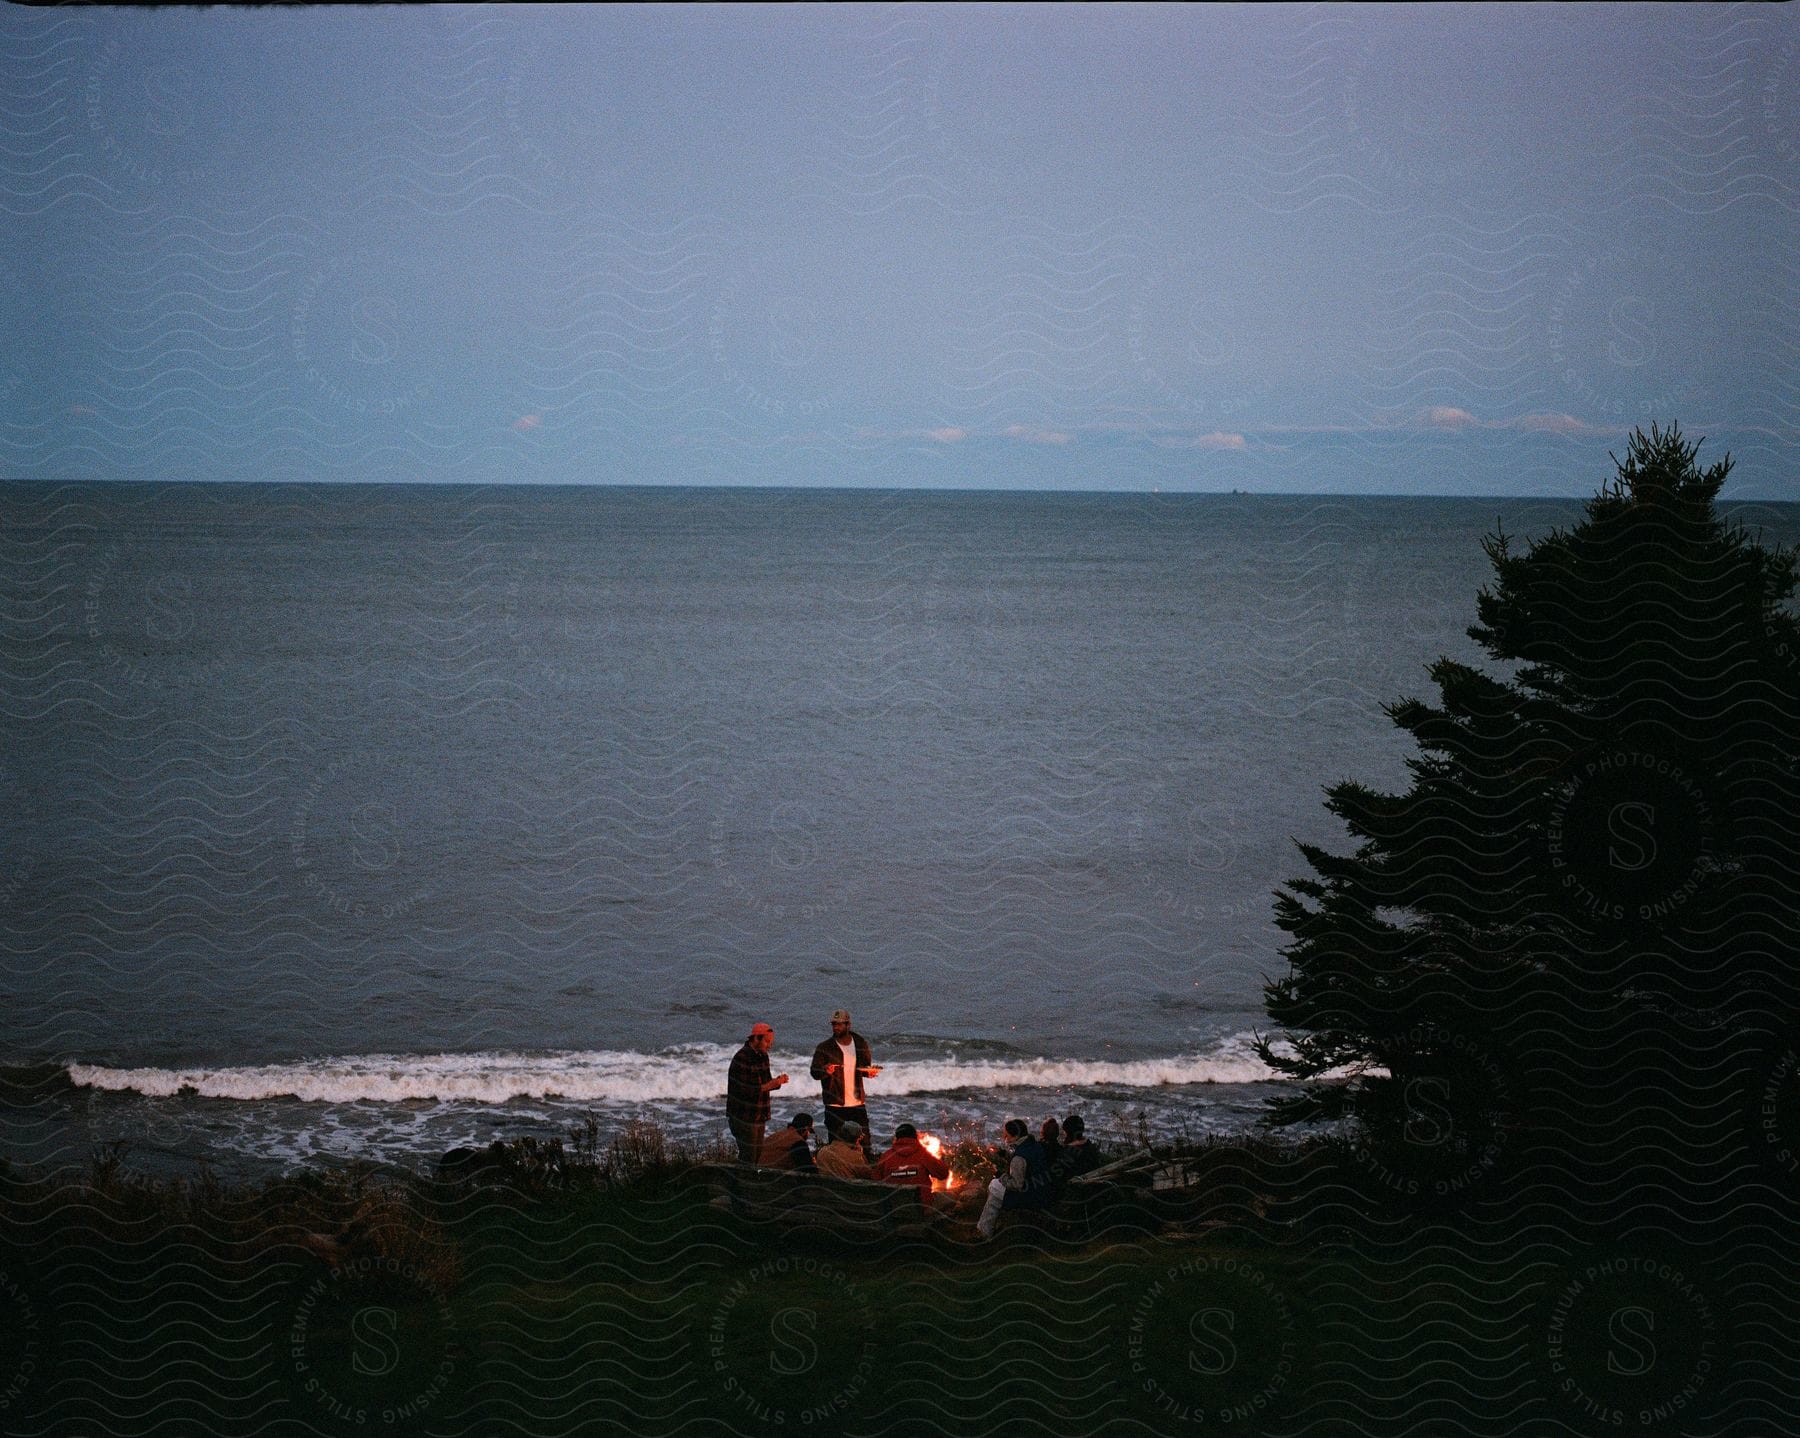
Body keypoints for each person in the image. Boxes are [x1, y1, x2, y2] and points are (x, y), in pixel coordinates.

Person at [809, 1008, 880, 1152]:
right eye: (834, 1024)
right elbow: (814, 1072)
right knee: (836, 1145)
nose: (836, 1027)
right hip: (835, 1104)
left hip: (857, 1102)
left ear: (848, 1025)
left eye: (839, 1024)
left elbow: (864, 1067)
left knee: (865, 1143)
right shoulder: (825, 1047)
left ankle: (864, 1171)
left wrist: (869, 1072)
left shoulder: (860, 1043)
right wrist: (825, 1070)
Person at [975, 1118, 1053, 1238]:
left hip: (1030, 1196)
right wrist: (1003, 1154)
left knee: (993, 1185)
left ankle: (984, 1232)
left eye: (1006, 1135)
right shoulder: (1034, 1144)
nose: (1004, 1138)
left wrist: (1001, 1175)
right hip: (1042, 1190)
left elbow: (1017, 1184)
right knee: (995, 1197)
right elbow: (1024, 1164)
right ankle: (984, 1230)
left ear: (1015, 1136)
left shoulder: (1019, 1157)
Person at [726, 1022, 788, 1164]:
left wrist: (778, 1082)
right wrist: (769, 1085)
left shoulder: (763, 1056)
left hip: (759, 1115)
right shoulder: (742, 1058)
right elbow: (744, 1090)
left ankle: (749, 1184)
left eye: (771, 1042)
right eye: (767, 1041)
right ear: (756, 1039)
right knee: (748, 1157)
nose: (769, 1045)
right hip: (744, 1117)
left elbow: (765, 1083)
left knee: (756, 1157)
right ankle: (741, 1184)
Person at [874, 1122, 950, 1205]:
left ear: (896, 1138)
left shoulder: (886, 1156)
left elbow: (876, 1179)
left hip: (892, 1207)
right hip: (920, 1208)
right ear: (915, 1137)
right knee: (950, 1196)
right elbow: (943, 1174)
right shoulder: (923, 1155)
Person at [1050, 1113, 1103, 1194]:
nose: (1063, 1135)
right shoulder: (1090, 1147)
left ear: (1068, 1133)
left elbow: (1057, 1176)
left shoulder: (1068, 1153)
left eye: (1064, 1132)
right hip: (1092, 1188)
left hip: (1076, 1192)